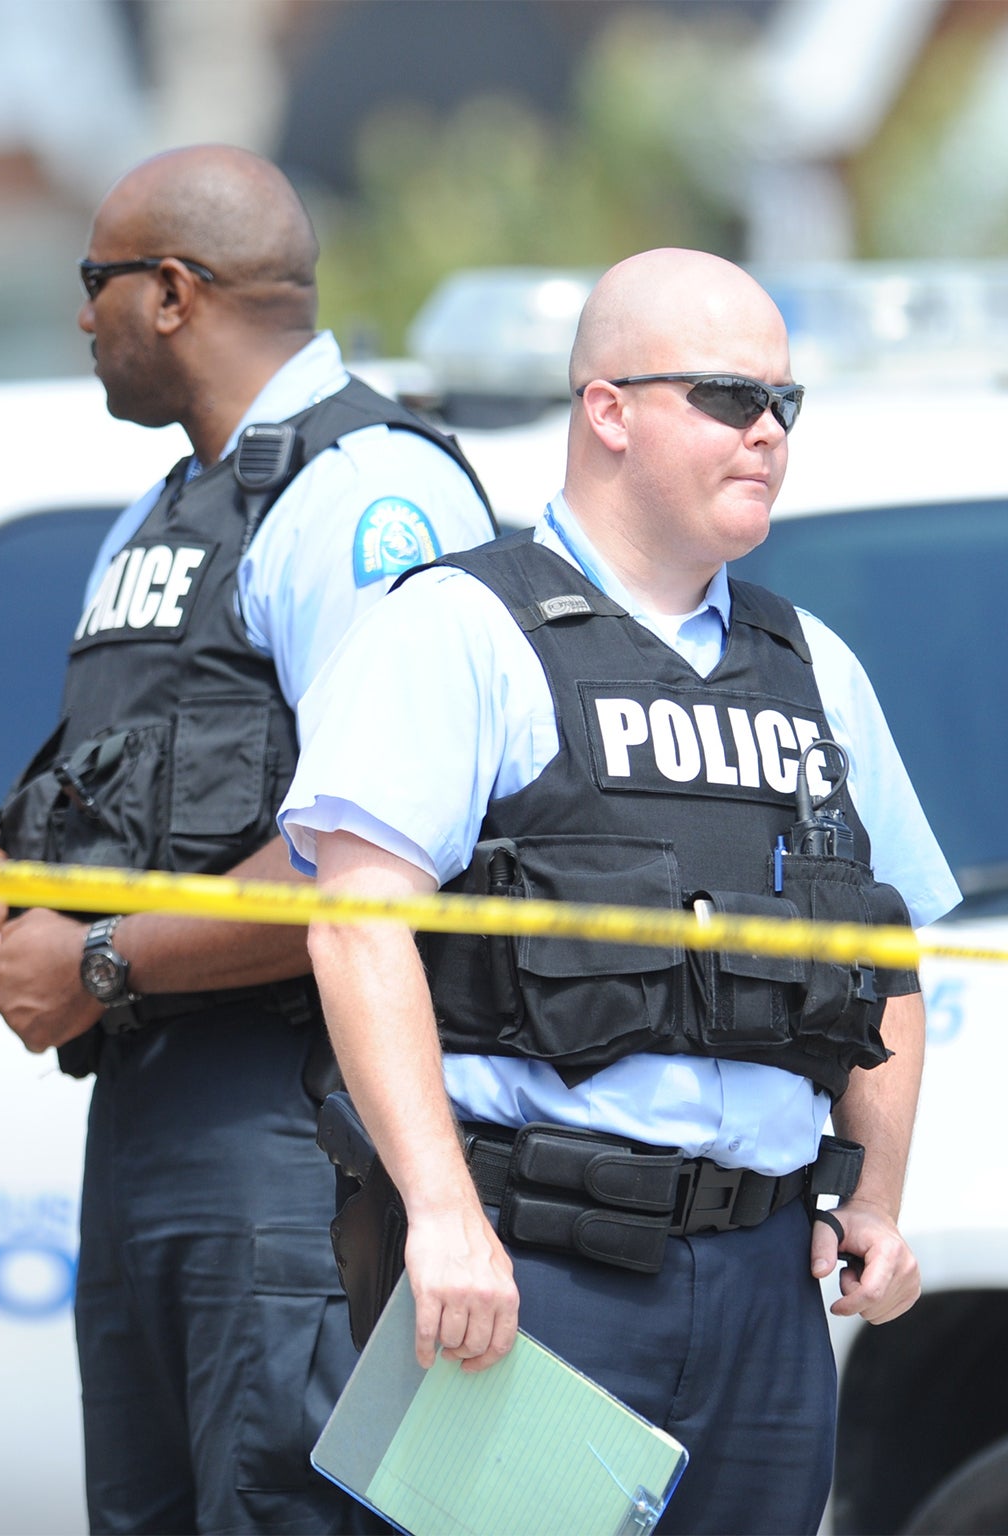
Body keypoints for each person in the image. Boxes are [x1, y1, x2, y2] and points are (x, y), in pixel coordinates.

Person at [286, 249, 959, 1534]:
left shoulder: (812, 664)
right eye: (725, 396)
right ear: (605, 409)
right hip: (534, 1273)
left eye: (783, 404)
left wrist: (872, 1196)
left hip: (766, 1286)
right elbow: (355, 924)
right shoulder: (460, 630)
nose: (766, 431)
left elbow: (883, 959)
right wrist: (438, 1217)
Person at [0, 145, 494, 1534]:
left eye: (94, 285)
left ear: (172, 293)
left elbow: (371, 861)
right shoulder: (167, 511)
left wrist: (100, 964)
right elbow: (126, 790)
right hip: (159, 1121)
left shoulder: (363, 498)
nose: (81, 319)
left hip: (303, 1134)